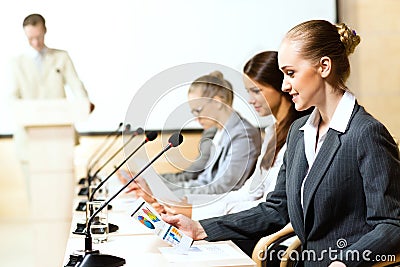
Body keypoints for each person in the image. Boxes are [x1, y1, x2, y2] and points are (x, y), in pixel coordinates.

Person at [162, 20, 400, 267]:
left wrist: (343, 264)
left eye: (290, 73)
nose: (285, 85)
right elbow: (277, 209)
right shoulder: (300, 131)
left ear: (324, 67)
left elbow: (391, 225)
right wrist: (200, 228)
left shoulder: (366, 133)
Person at [157, 51, 311, 222]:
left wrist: (192, 209)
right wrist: (185, 204)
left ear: (281, 86)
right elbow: (249, 192)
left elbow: (264, 203)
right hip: (250, 216)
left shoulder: (296, 133)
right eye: (248, 92)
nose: (251, 100)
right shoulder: (271, 132)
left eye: (256, 91)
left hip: (266, 227)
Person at [121, 70, 262, 199]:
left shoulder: (243, 136)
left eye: (198, 110)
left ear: (218, 102)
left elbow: (222, 187)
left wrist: (160, 192)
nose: (196, 118)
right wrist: (153, 185)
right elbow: (199, 179)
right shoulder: (215, 133)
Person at [10, 14, 94, 191]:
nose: (35, 43)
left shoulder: (61, 57)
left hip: (60, 139)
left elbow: (76, 86)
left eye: (38, 37)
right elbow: (12, 99)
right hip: (29, 141)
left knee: (62, 193)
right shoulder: (16, 62)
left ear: (45, 31)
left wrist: (84, 104)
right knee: (37, 195)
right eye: (30, 38)